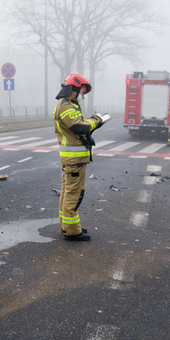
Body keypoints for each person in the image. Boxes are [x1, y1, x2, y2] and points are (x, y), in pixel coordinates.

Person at [53, 74, 105, 241]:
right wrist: (96, 120)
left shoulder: (68, 104)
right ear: (74, 87)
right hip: (74, 160)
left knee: (68, 193)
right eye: (82, 89)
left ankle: (68, 226)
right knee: (74, 194)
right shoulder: (65, 105)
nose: (83, 93)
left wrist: (93, 125)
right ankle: (72, 231)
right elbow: (78, 127)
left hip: (73, 159)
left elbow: (78, 129)